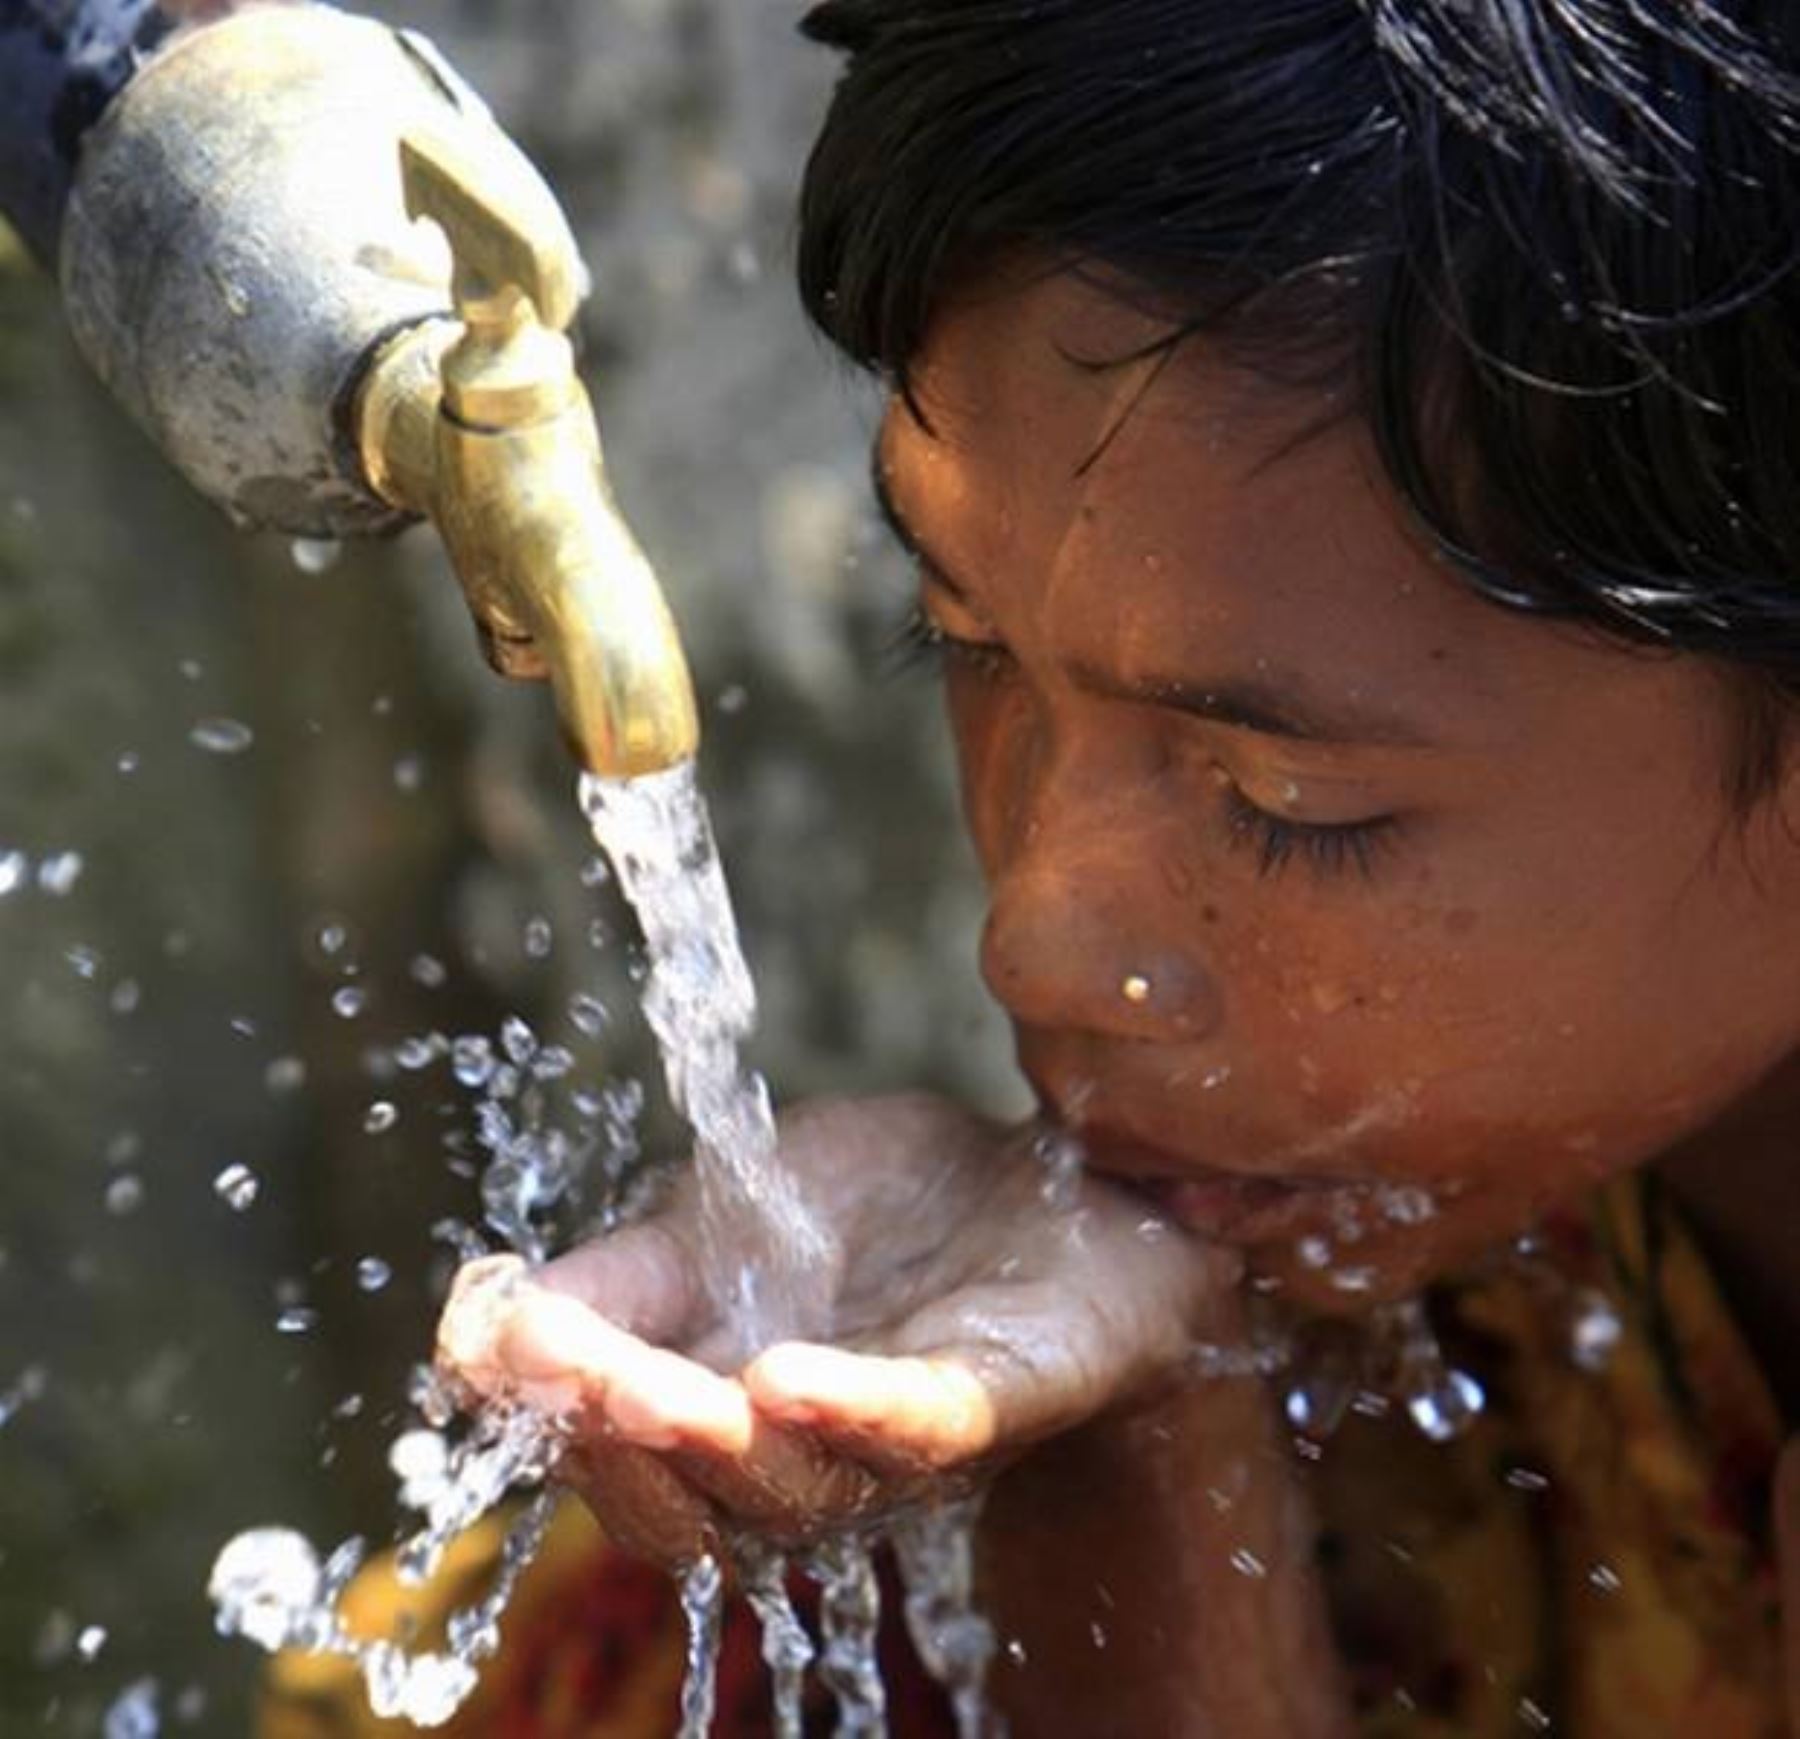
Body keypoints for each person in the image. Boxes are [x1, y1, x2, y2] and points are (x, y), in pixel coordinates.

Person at [241, 0, 1800, 1732]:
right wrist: (1140, 1433)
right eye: (961, 639)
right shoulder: (1434, 1283)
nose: (1034, 942)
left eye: (1290, 802)